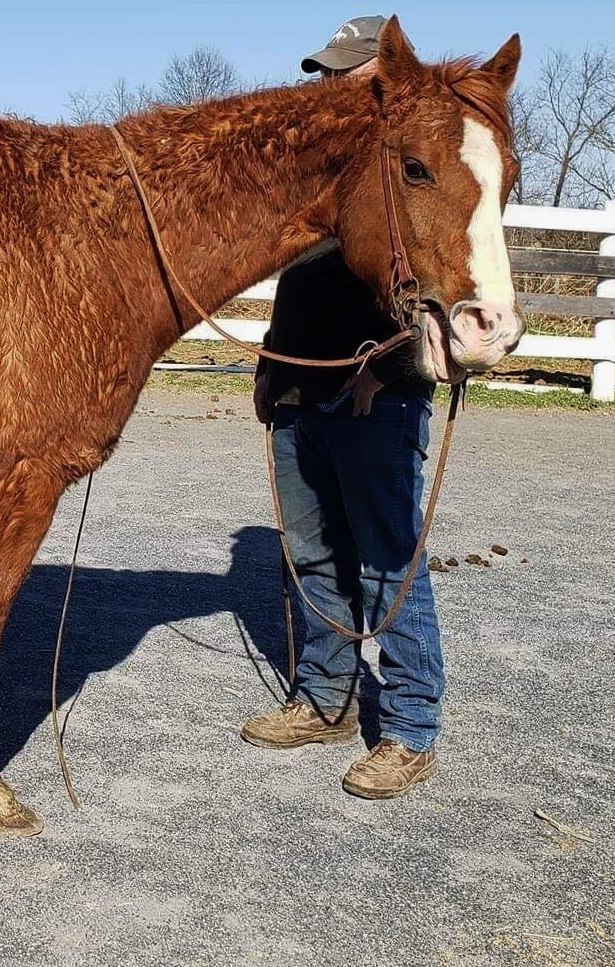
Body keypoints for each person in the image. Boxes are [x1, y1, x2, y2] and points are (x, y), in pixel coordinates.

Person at [239, 15, 447, 800]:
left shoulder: (412, 173)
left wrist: (390, 369)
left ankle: (410, 726)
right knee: (315, 557)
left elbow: (438, 288)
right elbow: (297, 283)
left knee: (389, 559)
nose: (328, 86)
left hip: (374, 398)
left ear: (381, 77)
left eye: (344, 73)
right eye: (324, 74)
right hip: (298, 387)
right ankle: (326, 698)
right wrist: (269, 362)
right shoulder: (325, 176)